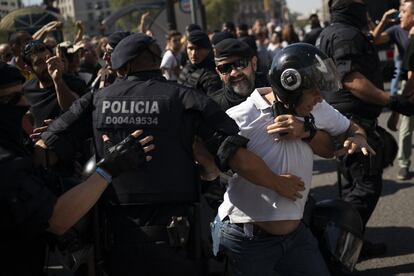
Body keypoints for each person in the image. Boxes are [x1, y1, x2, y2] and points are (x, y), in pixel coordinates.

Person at [40, 33, 307, 275]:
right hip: (178, 240)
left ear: (122, 67)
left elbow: (45, 152)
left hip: (117, 240)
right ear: (157, 61)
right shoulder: (185, 98)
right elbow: (236, 156)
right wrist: (277, 183)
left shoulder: (96, 101)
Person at [211, 43, 373, 276]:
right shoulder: (241, 117)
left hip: (296, 238)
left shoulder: (314, 109)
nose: (319, 98)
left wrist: (357, 138)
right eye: (314, 91)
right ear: (291, 87)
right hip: (246, 241)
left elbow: (350, 129)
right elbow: (208, 160)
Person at [0, 62, 154, 276]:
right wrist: (108, 169)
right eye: (11, 99)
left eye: (22, 94)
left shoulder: (11, 143)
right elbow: (57, 220)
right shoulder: (5, 162)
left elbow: (38, 168)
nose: (25, 103)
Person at [317, 0, 414, 257]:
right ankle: (335, 247)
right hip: (351, 122)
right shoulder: (346, 35)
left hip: (344, 120)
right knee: (365, 188)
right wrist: (391, 101)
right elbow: (351, 80)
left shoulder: (335, 31)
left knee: (352, 186)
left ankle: (352, 243)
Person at [372, 1, 414, 180]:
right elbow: (375, 39)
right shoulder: (397, 30)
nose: (399, 14)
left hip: (411, 83)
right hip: (409, 83)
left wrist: (396, 109)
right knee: (406, 128)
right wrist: (382, 21)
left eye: (403, 11)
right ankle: (404, 163)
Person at [22, 40, 87, 128]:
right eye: (40, 62)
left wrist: (58, 81)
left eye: (48, 58)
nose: (47, 64)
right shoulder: (26, 90)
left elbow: (76, 112)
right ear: (29, 68)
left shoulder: (75, 83)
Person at [209, 38, 269, 111]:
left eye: (240, 64)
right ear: (219, 73)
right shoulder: (214, 108)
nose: (234, 73)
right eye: (224, 68)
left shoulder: (275, 88)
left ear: (254, 63)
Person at [178, 30, 222, 95]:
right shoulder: (187, 66)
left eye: (198, 49)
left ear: (207, 50)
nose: (193, 54)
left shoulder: (211, 76)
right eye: (190, 48)